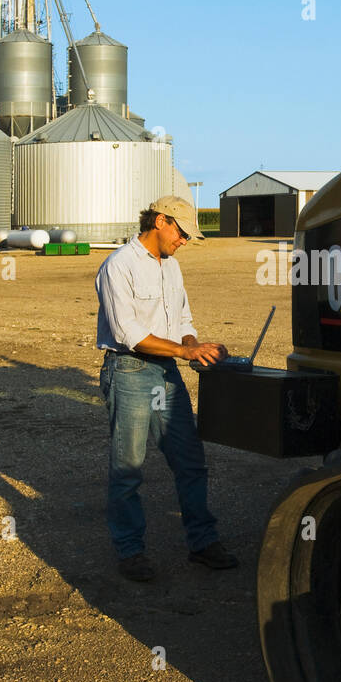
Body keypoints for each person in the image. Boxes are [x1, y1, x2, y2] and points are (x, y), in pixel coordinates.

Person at [94, 196, 237, 581]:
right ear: (161, 221)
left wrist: (194, 347)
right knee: (128, 469)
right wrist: (184, 352)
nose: (185, 241)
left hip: (166, 373)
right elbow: (129, 333)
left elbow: (183, 318)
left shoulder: (171, 268)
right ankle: (130, 552)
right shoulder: (118, 266)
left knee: (190, 461)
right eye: (182, 232)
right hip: (129, 372)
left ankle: (202, 542)